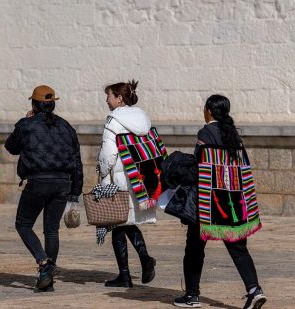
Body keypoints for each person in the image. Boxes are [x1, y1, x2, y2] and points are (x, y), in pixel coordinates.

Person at [173, 94, 266, 309]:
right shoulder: (233, 135)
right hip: (231, 202)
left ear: (208, 110)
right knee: (238, 248)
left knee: (194, 249)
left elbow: (201, 165)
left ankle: (192, 295)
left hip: (207, 201)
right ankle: (254, 290)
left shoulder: (206, 132)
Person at [5, 85, 83, 292]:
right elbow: (77, 161)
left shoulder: (27, 124)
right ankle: (47, 276)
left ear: (34, 104)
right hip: (62, 183)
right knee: (51, 230)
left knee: (23, 224)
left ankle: (43, 262)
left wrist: (26, 120)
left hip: (38, 182)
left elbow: (11, 147)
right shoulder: (66, 127)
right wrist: (75, 191)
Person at [98, 80, 157, 288]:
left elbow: (108, 154)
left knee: (117, 224)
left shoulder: (114, 120)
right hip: (138, 178)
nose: (107, 99)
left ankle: (127, 273)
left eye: (109, 96)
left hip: (119, 180)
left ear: (119, 98)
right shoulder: (143, 118)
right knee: (126, 223)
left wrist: (102, 172)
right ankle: (143, 260)